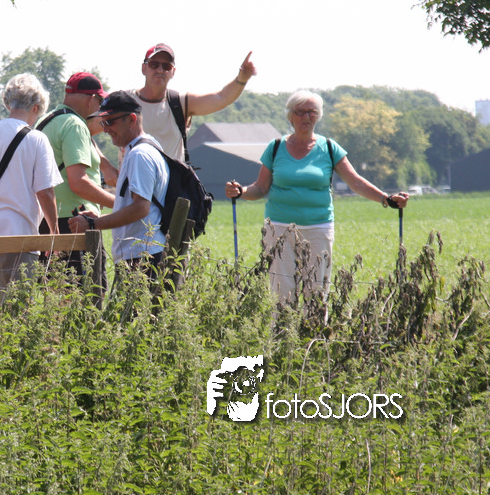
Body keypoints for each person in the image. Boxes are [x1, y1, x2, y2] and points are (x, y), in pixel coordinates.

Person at [224, 90, 409, 305]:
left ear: (318, 115)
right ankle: (283, 328)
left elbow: (356, 182)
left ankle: (315, 328)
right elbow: (261, 187)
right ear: (291, 116)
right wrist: (242, 192)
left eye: (312, 112)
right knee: (281, 291)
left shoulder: (329, 148)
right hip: (279, 228)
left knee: (317, 292)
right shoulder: (275, 148)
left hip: (318, 228)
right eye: (300, 112)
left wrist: (386, 199)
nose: (306, 117)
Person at [0, 73, 62, 305]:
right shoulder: (37, 139)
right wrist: (54, 232)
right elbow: (45, 192)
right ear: (36, 107)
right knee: (17, 309)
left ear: (8, 104)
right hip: (19, 234)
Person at [68, 91, 169, 274]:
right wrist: (98, 219)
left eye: (110, 122)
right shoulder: (145, 147)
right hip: (144, 253)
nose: (105, 129)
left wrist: (93, 225)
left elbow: (140, 208)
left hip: (143, 257)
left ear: (131, 119)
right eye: (103, 122)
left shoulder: (139, 155)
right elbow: (135, 205)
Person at [37, 72, 117, 280]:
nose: (99, 107)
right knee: (88, 294)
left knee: (52, 294)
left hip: (45, 222)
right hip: (75, 223)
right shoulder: (75, 125)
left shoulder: (45, 121)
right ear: (91, 99)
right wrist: (119, 204)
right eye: (100, 101)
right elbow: (78, 183)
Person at [132, 43, 258, 163]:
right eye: (154, 65)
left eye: (166, 67)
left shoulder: (180, 103)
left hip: (171, 179)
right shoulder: (126, 101)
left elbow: (222, 98)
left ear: (173, 72)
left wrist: (242, 79)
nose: (160, 70)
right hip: (132, 179)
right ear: (144, 68)